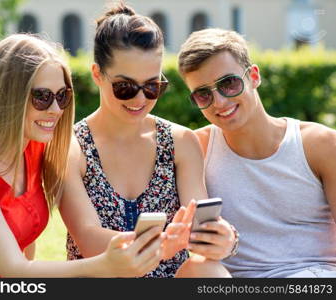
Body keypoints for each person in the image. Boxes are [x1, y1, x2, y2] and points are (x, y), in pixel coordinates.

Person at [0, 33, 168, 278]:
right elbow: (15, 269)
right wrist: (103, 265)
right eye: (42, 97)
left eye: (62, 96)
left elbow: (26, 254)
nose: (56, 109)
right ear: (8, 97)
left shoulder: (34, 149)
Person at [59, 2, 236, 278]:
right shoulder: (71, 147)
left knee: (209, 270)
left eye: (153, 86)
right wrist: (161, 246)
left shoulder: (180, 142)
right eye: (125, 87)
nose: (140, 99)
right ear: (97, 75)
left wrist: (220, 239)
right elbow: (90, 240)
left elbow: (198, 228)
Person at [177, 28, 336, 278]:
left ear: (253, 76)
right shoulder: (197, 148)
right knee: (195, 269)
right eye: (203, 94)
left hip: (312, 276)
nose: (219, 102)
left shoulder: (319, 144)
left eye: (228, 83)